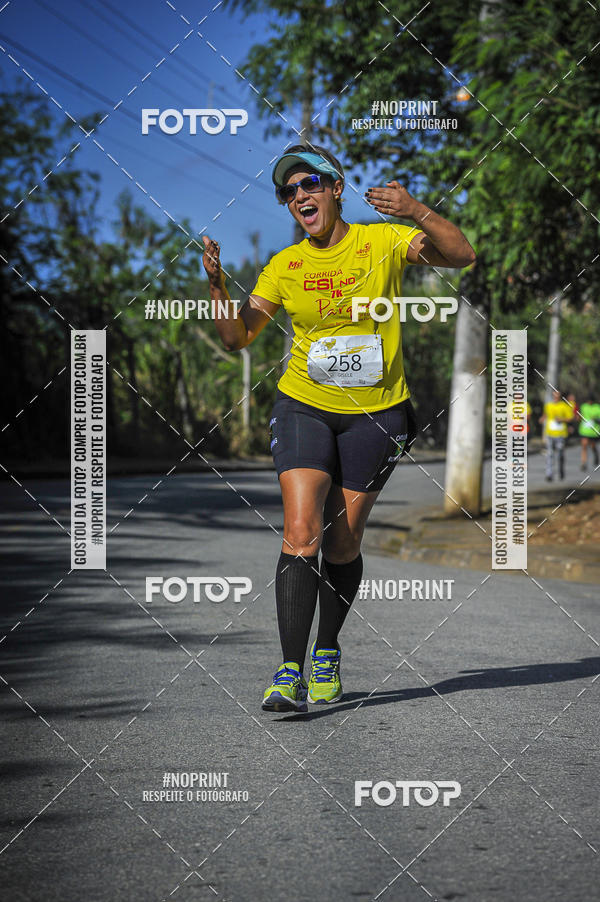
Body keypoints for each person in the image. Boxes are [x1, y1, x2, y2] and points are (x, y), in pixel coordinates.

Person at [202, 144, 476, 713]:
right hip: (303, 402)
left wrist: (415, 209)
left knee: (343, 538)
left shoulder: (383, 240)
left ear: (336, 188)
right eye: (289, 191)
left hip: (377, 412)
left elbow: (461, 254)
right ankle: (288, 671)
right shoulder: (284, 265)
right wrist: (217, 286)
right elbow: (237, 338)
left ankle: (327, 649)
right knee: (301, 530)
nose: (300, 194)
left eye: (310, 183)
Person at [539, 388, 574, 481]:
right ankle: (549, 474)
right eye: (554, 396)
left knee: (560, 454)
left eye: (557, 396)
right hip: (550, 433)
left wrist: (561, 419)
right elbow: (545, 415)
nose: (556, 398)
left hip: (561, 434)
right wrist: (542, 419)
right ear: (552, 396)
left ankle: (561, 470)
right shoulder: (548, 405)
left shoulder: (564, 406)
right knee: (549, 454)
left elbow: (570, 418)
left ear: (560, 397)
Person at [578, 394, 600, 471]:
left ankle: (596, 454)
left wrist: (596, 419)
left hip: (594, 431)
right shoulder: (583, 406)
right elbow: (579, 416)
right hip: (584, 431)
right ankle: (583, 463)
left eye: (591, 401)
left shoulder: (597, 407)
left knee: (592, 446)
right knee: (584, 445)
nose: (589, 402)